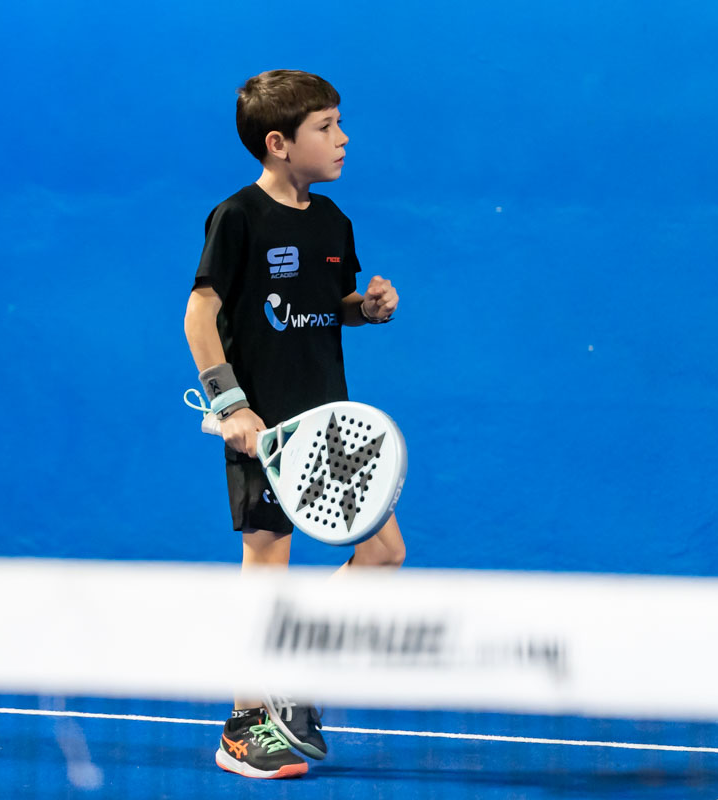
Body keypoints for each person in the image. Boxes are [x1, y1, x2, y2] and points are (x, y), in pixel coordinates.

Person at [183, 69, 405, 779]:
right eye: (326, 127)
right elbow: (200, 314)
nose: (343, 138)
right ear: (279, 143)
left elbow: (326, 305)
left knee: (385, 553)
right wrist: (229, 405)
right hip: (265, 429)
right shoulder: (238, 217)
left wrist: (365, 309)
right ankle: (244, 725)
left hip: (331, 426)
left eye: (339, 124)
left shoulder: (334, 221)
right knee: (268, 568)